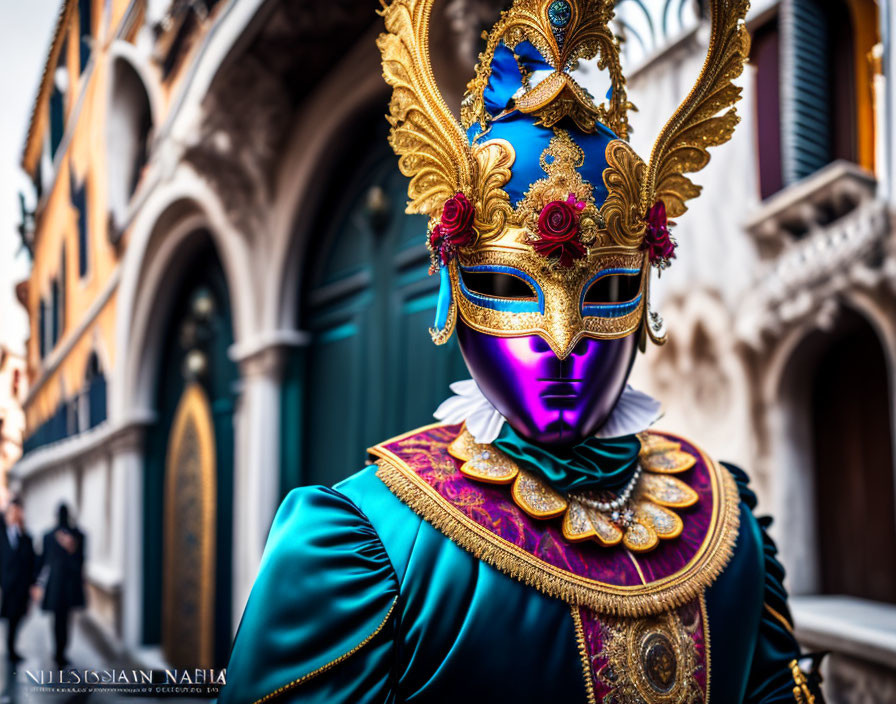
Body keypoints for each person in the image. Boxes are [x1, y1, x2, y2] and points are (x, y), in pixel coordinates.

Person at [222, 0, 825, 701]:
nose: (563, 342)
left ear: (644, 300)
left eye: (606, 292)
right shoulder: (371, 544)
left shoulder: (726, 518)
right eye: (509, 287)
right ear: (454, 297)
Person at [38, 504, 85, 668]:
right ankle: (59, 652)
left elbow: (80, 560)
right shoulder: (49, 536)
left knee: (64, 620)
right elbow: (43, 560)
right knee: (59, 620)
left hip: (67, 585)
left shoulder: (77, 536)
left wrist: (71, 546)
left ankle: (61, 651)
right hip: (57, 585)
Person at [0, 496, 36, 663]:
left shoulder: (26, 537)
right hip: (6, 585)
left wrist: (33, 584)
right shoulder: (2, 535)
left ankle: (11, 647)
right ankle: (11, 649)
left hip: (21, 586)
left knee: (18, 617)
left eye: (17, 512)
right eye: (11, 512)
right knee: (10, 616)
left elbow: (31, 562)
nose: (14, 515)